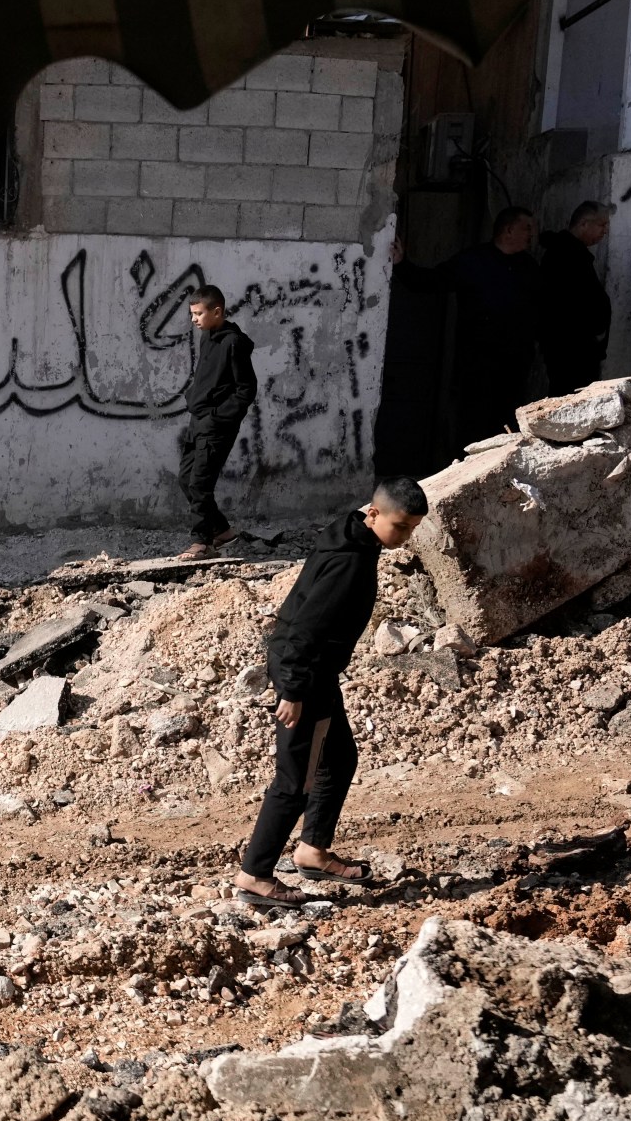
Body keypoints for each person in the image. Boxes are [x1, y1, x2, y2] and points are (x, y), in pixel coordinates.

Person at [236, 478, 432, 907]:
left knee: (339, 758)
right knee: (295, 780)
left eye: (413, 528)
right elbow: (308, 627)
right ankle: (255, 874)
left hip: (315, 673)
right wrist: (293, 689)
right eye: (400, 526)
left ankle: (313, 851)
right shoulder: (350, 563)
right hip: (304, 676)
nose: (405, 536)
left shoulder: (353, 535)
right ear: (374, 514)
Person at [442, 207, 542, 447]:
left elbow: (542, 310)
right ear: (509, 230)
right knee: (472, 424)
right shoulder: (473, 261)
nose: (532, 234)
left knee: (506, 425)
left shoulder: (528, 268)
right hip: (476, 363)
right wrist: (402, 265)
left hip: (513, 366)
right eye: (527, 228)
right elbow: (433, 280)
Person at [174, 284, 258, 560]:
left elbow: (246, 390)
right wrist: (194, 400)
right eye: (192, 314)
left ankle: (202, 542)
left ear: (217, 311)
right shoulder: (207, 337)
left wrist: (216, 417)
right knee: (186, 479)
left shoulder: (234, 343)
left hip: (216, 426)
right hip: (198, 421)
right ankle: (222, 530)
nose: (194, 319)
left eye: (198, 313)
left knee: (200, 484)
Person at [537, 200, 613, 394]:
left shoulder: (574, 253)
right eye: (602, 225)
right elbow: (565, 305)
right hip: (569, 350)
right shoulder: (564, 255)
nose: (605, 231)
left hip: (578, 348)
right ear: (584, 224)